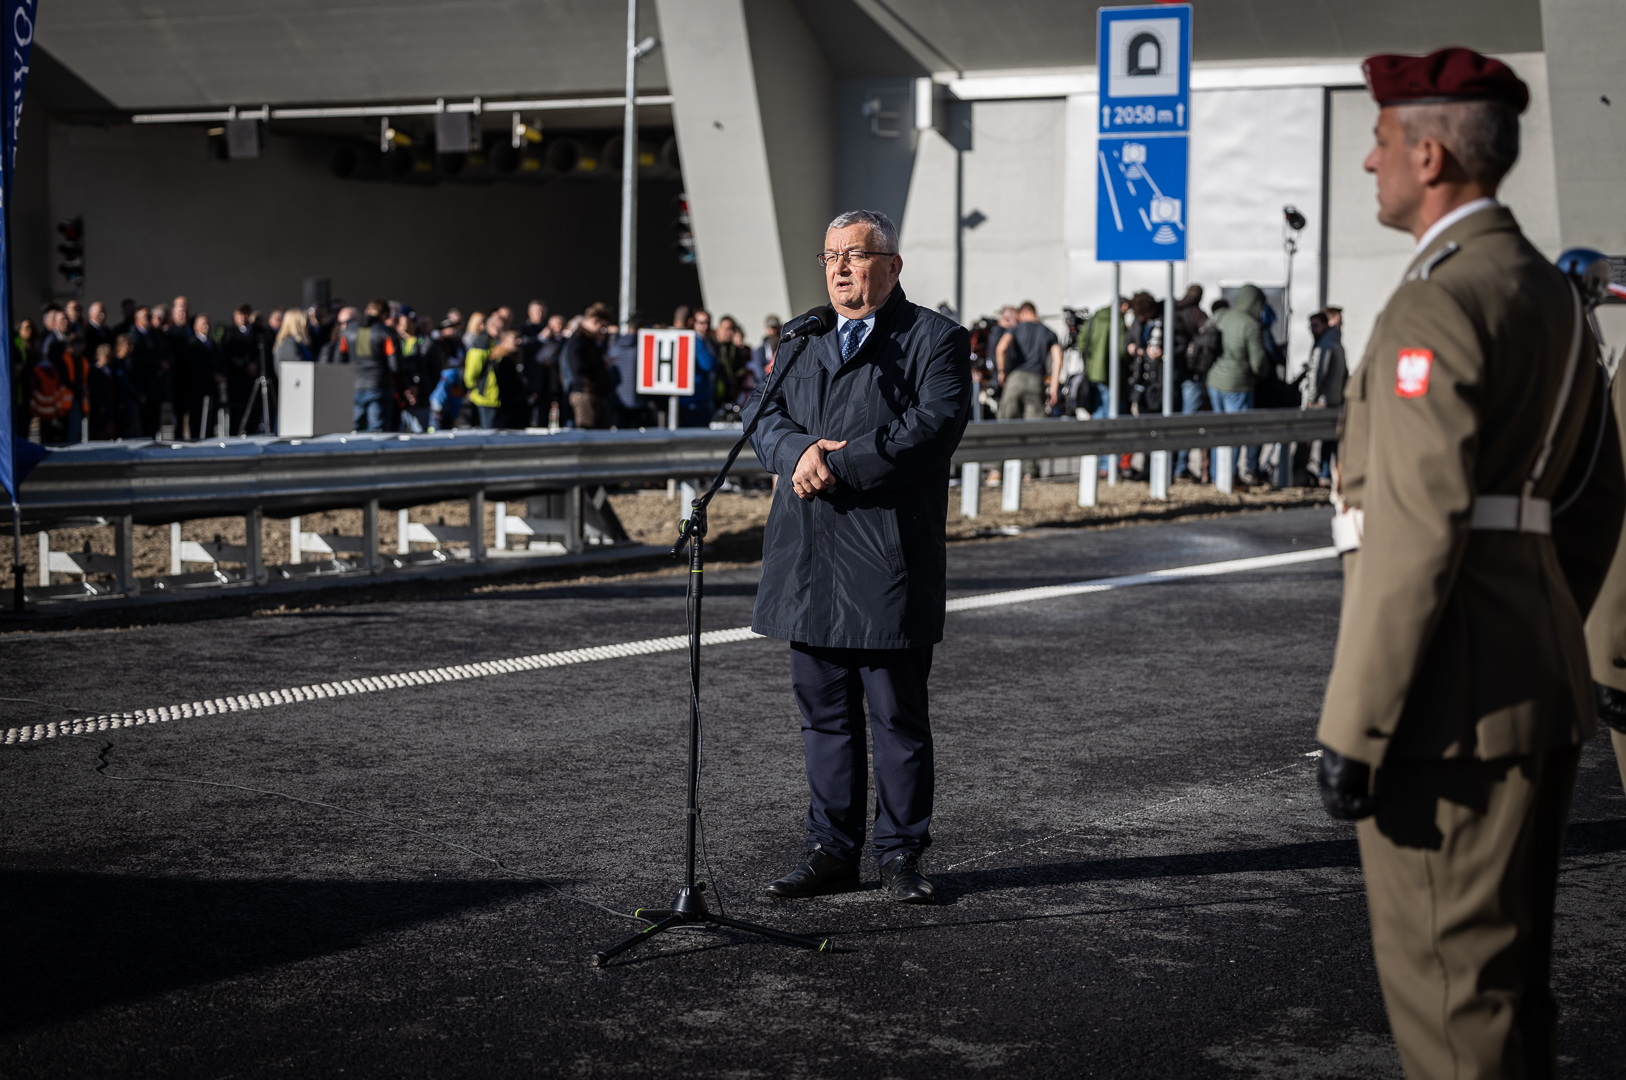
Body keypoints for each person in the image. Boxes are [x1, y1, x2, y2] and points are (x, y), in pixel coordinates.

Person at [1314, 49, 1626, 1080]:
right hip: (1532, 685)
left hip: (1442, 712)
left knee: (1453, 1013)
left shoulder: (1437, 304)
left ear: (1431, 152)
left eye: (1381, 139)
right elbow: (1590, 502)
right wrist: (1537, 629)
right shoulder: (1547, 291)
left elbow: (1413, 532)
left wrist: (1356, 728)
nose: (1369, 162)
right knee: (1510, 1001)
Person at [748, 209, 971, 905]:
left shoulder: (935, 339)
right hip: (807, 554)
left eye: (855, 254)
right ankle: (830, 851)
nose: (840, 266)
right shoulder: (803, 335)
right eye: (830, 256)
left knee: (896, 718)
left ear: (892, 266)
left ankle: (901, 854)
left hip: (885, 557)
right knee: (824, 718)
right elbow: (763, 417)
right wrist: (798, 454)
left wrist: (841, 465)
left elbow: (931, 429)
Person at [1208, 285, 1268, 484]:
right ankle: (1228, 477)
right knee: (1235, 433)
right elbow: (1258, 362)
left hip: (1214, 380)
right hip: (1237, 384)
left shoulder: (1222, 316)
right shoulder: (1250, 324)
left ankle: (1218, 475)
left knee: (1219, 432)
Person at [342, 299, 399, 432]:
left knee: (352, 429)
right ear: (385, 314)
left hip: (354, 386)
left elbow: (339, 360)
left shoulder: (348, 331)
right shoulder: (386, 332)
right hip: (379, 385)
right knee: (377, 431)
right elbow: (395, 365)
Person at [995, 301, 1057, 421]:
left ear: (1024, 313)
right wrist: (1054, 387)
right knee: (1035, 426)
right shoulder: (1049, 332)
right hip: (1036, 380)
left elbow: (1001, 348)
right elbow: (1058, 358)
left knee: (1004, 422)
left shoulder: (1015, 329)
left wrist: (1001, 371)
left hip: (1015, 379)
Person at [1307, 308, 1347, 484]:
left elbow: (1318, 375)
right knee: (1331, 440)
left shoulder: (1324, 345)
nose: (1312, 330)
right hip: (1335, 400)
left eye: (1316, 325)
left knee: (1322, 440)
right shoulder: (1337, 343)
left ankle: (1324, 473)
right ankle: (1328, 473)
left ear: (1325, 325)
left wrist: (1311, 399)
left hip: (1323, 402)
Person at [563, 302, 612, 429]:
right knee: (587, 435)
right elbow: (578, 367)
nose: (602, 332)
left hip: (593, 393)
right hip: (584, 393)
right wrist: (601, 363)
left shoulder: (589, 339)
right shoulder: (578, 339)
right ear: (595, 321)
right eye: (602, 328)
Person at [129, 306, 171, 437]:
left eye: (149, 317)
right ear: (137, 319)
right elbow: (141, 358)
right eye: (146, 317)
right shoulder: (133, 336)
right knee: (143, 420)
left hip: (156, 385)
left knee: (154, 420)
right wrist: (158, 362)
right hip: (143, 385)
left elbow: (165, 350)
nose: (149, 320)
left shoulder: (156, 334)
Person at [463, 309, 503, 428]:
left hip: (495, 395)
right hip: (485, 395)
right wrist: (471, 386)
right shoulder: (482, 343)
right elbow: (473, 370)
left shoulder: (493, 342)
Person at [272, 308, 314, 382]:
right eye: (306, 323)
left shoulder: (298, 343)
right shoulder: (288, 343)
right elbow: (301, 367)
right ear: (297, 324)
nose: (308, 326)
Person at [749, 315, 781, 386]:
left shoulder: (785, 346)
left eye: (776, 328)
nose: (774, 331)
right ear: (766, 329)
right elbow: (759, 373)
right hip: (768, 387)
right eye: (771, 328)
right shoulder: (760, 351)